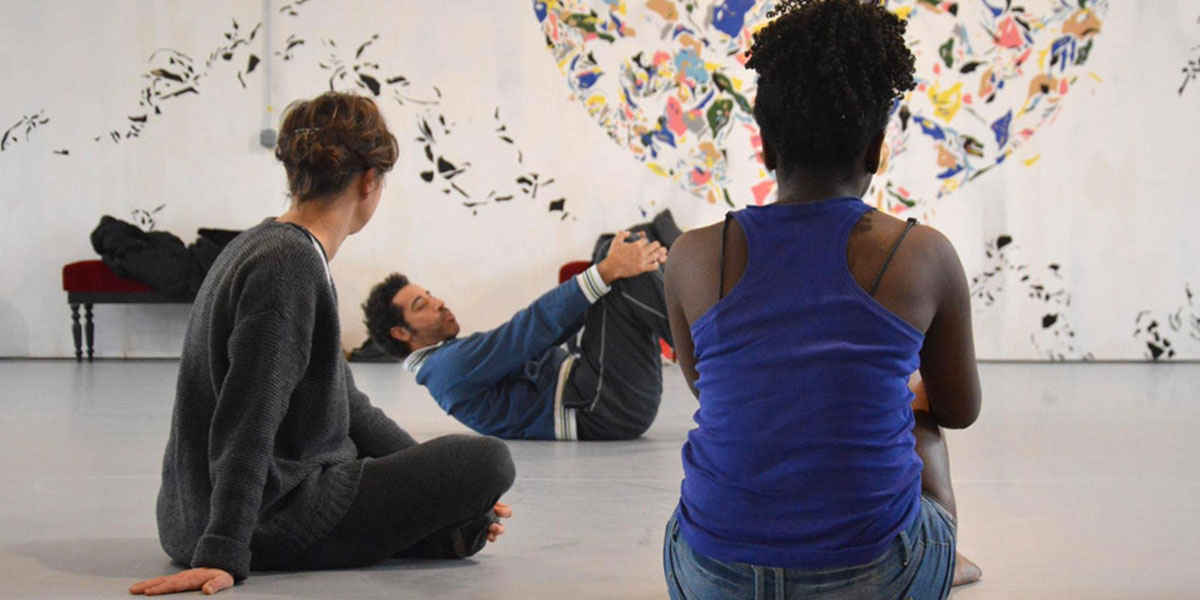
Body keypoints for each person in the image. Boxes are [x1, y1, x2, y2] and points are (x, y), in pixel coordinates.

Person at [130, 91, 515, 597]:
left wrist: (437, 489)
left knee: (455, 485)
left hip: (198, 515)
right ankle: (440, 528)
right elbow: (249, 417)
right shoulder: (288, 267)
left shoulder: (265, 244)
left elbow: (347, 404)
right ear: (369, 182)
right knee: (489, 462)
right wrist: (222, 551)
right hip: (264, 520)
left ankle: (445, 530)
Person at [661, 1, 982, 598]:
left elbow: (710, 387)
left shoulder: (692, 256)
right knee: (920, 416)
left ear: (766, 148)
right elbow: (959, 409)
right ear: (875, 150)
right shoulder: (923, 254)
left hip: (711, 575)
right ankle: (935, 557)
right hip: (875, 576)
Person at [361, 214, 680, 441]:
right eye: (422, 305)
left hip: (598, 393)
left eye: (430, 295)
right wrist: (605, 273)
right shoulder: (447, 370)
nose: (438, 302)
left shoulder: (448, 360)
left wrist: (606, 269)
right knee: (620, 268)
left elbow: (544, 334)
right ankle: (704, 346)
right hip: (603, 408)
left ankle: (696, 321)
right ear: (401, 333)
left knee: (615, 246)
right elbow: (527, 331)